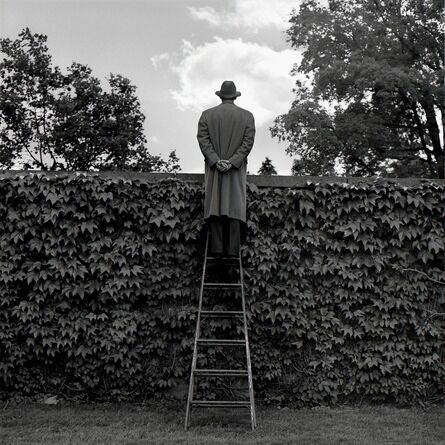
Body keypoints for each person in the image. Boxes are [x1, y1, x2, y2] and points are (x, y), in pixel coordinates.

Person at [197, 80, 255, 257]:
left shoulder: (207, 115)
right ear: (235, 96)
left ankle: (216, 249)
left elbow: (203, 140)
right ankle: (232, 251)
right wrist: (233, 162)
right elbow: (247, 143)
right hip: (235, 171)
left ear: (221, 95)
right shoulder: (247, 116)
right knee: (234, 206)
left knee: (215, 204)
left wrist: (216, 161)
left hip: (215, 170)